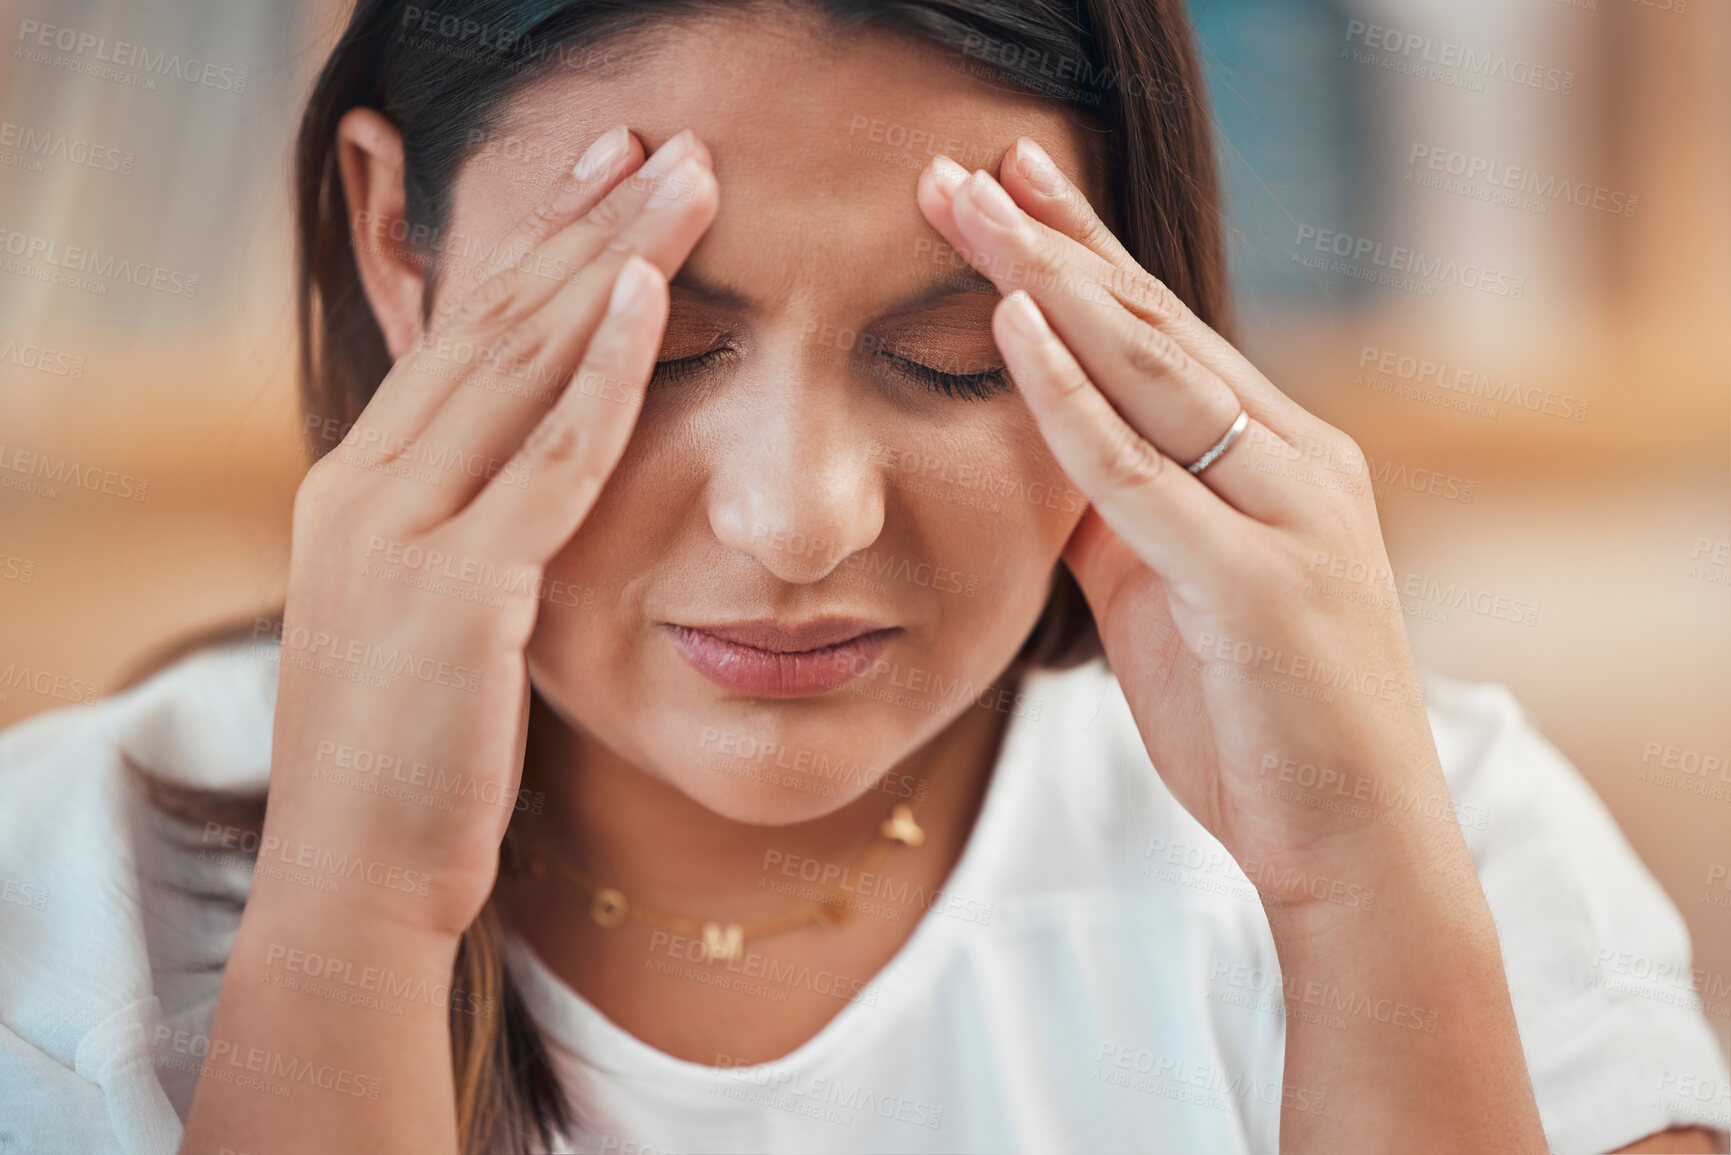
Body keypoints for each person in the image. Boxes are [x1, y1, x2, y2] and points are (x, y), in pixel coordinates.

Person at [0, 1, 1725, 1152]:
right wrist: (353, 906)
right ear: (398, 245)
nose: (800, 521)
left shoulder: (1460, 841)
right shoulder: (52, 902)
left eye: (958, 354)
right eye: (657, 346)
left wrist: (1359, 899)